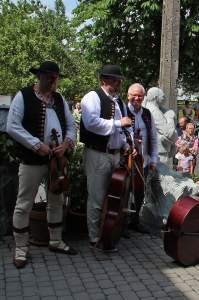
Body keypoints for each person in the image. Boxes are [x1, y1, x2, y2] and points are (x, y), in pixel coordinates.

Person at [7, 61, 77, 268]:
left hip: (57, 159)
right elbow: (12, 126)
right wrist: (36, 145)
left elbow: (71, 125)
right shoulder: (24, 96)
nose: (54, 80)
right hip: (32, 159)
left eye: (56, 76)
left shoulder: (59, 99)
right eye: (49, 76)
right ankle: (20, 249)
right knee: (24, 203)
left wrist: (66, 144)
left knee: (57, 199)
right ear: (40, 76)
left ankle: (55, 241)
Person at [80, 64, 133, 248]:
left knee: (113, 197)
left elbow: (121, 131)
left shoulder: (119, 102)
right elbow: (91, 123)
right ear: (103, 80)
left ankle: (109, 231)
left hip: (115, 155)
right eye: (113, 80)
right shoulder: (92, 97)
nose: (117, 83)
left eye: (118, 80)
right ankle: (94, 237)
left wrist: (126, 144)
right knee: (96, 197)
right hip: (98, 154)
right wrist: (118, 123)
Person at [126, 83, 158, 230]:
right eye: (134, 95)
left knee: (139, 192)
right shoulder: (123, 111)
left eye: (140, 95)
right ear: (128, 95)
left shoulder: (147, 113)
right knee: (125, 192)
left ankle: (135, 221)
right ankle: (123, 223)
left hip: (143, 160)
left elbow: (153, 137)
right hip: (126, 160)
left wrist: (153, 159)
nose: (136, 98)